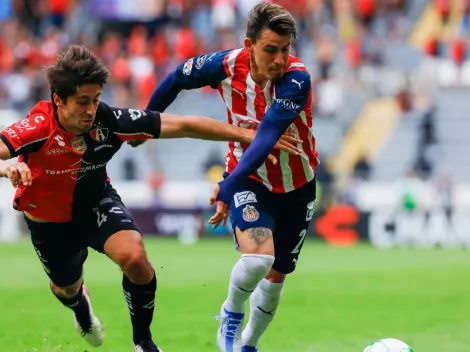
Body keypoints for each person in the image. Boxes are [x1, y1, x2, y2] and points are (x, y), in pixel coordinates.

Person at [0, 45, 302, 352]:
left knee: (135, 257)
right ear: (58, 101)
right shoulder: (38, 127)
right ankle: (80, 306)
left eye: (95, 99)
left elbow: (183, 125)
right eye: (82, 102)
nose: (91, 109)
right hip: (49, 222)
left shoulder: (110, 120)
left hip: (94, 204)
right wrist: (8, 166)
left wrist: (249, 135)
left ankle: (143, 342)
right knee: (66, 288)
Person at [146, 3, 318, 351]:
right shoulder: (224, 66)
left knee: (275, 276)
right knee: (258, 258)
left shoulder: (296, 79)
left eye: (285, 50)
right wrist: (145, 121)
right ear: (250, 44)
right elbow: (179, 76)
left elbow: (267, 135)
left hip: (298, 186)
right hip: (249, 180)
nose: (280, 60)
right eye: (271, 49)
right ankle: (230, 312)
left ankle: (248, 344)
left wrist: (226, 185)